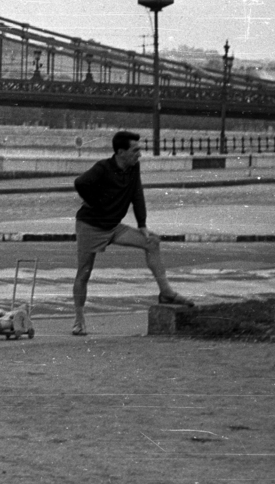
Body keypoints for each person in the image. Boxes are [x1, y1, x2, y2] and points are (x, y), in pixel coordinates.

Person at [71, 130, 193, 335]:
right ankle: (78, 319)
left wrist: (142, 224)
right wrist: (96, 202)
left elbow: (137, 193)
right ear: (121, 151)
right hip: (90, 226)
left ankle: (166, 292)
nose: (140, 154)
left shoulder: (133, 168)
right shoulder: (103, 168)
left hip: (113, 227)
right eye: (135, 150)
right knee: (84, 272)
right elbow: (80, 183)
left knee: (152, 242)